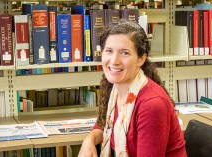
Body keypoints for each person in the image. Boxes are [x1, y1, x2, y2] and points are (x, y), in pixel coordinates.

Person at [78, 19, 186, 157]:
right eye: (109, 51)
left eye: (124, 53)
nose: (114, 61)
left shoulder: (151, 104)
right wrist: (90, 139)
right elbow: (103, 125)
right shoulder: (115, 89)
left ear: (141, 59)